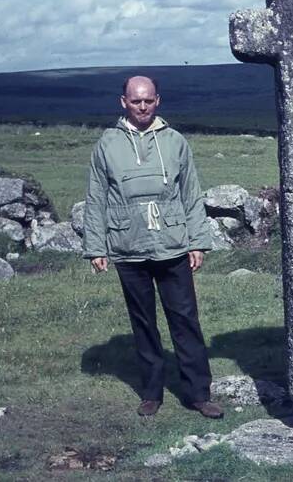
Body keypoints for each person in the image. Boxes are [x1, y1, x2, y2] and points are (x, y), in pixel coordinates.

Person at [82, 76, 222, 419]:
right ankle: (151, 393)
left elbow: (190, 192)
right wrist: (96, 247)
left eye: (147, 101)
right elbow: (96, 196)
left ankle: (198, 394)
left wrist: (197, 242)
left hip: (172, 244)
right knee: (143, 322)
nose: (142, 107)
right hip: (128, 244)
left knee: (185, 319)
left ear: (157, 100)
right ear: (123, 102)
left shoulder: (175, 142)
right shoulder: (107, 144)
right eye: (135, 101)